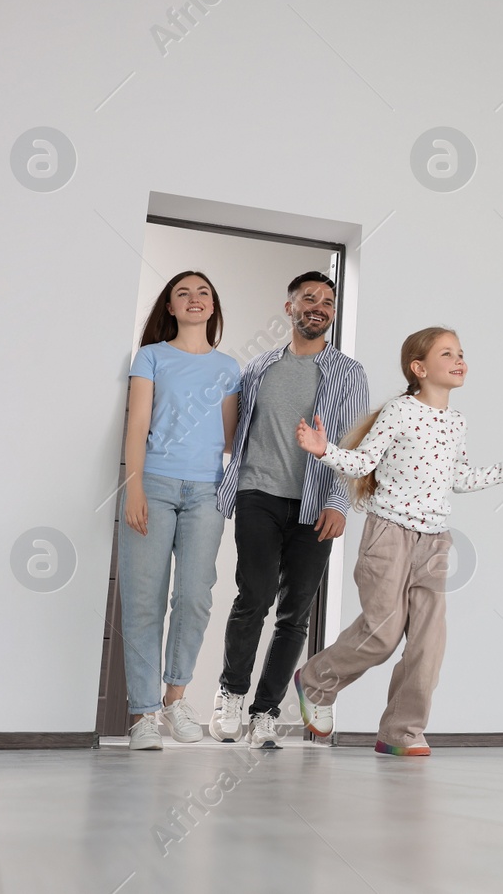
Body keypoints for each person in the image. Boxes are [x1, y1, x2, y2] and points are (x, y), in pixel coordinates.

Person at [289, 326, 503, 756]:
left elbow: (460, 478)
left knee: (429, 642)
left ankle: (401, 731)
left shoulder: (457, 422)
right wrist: (323, 449)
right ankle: (315, 681)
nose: (460, 359)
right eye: (448, 354)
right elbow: (363, 462)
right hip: (388, 536)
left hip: (435, 542)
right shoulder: (400, 412)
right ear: (420, 368)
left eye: (461, 352)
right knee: (383, 634)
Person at [210, 271, 369, 748]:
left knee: (295, 613)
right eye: (308, 299)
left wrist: (341, 502)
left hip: (317, 502)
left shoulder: (349, 373)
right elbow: (234, 432)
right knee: (252, 597)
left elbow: (354, 443)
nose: (317, 306)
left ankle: (265, 711)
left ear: (333, 313)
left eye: (326, 301)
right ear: (290, 307)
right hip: (258, 493)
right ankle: (231, 693)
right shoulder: (258, 368)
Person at [119, 271, 241, 751]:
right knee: (144, 600)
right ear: (169, 307)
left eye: (203, 292)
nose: (194, 299)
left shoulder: (229, 366)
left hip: (207, 492)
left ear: (213, 307)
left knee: (194, 596)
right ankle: (143, 714)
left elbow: (232, 440)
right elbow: (138, 422)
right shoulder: (151, 357)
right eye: (182, 293)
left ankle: (174, 698)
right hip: (153, 483)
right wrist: (133, 490)